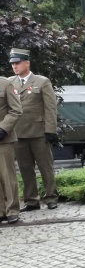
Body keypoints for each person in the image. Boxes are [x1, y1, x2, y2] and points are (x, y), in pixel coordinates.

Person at [8, 47, 58, 211]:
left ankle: (50, 197)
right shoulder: (10, 83)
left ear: (27, 63)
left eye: (18, 63)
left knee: (45, 167)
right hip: (18, 133)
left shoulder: (42, 82)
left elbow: (50, 108)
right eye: (13, 64)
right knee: (25, 169)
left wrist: (51, 130)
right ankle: (31, 200)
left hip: (39, 132)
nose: (15, 66)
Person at [0, 52, 22, 224]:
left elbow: (16, 110)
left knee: (7, 176)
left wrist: (3, 128)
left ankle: (12, 209)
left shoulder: (6, 84)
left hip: (3, 138)